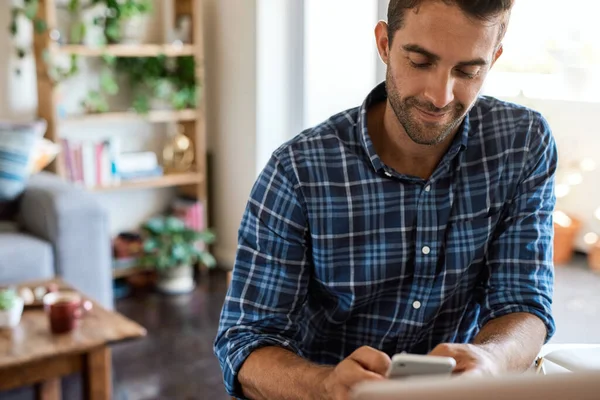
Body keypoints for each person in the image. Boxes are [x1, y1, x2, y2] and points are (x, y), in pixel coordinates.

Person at [214, 0, 557, 399]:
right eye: (420, 61)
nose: (440, 96)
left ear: (494, 58)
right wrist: (325, 386)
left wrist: (494, 360)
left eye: (467, 71)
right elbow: (245, 344)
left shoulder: (523, 143)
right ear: (384, 43)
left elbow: (525, 301)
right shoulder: (298, 171)